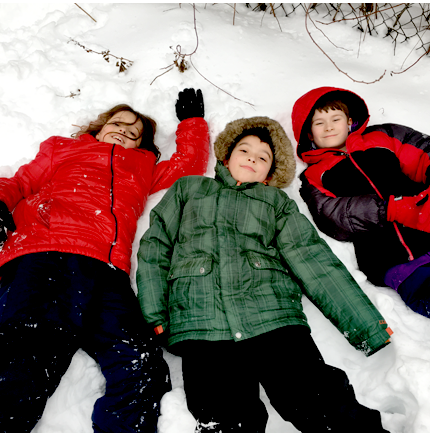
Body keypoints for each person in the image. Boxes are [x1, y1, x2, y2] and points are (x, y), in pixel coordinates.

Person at [0, 88, 210, 432]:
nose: (125, 132)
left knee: (140, 363)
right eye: (118, 123)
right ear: (99, 128)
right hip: (46, 257)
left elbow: (186, 165)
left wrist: (192, 123)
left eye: (135, 133)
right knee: (20, 362)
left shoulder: (143, 166)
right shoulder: (62, 149)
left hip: (107, 273)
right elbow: (19, 182)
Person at [136, 116, 394, 433]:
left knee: (319, 402)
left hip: (273, 320)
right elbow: (155, 247)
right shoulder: (189, 190)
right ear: (226, 156)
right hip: (202, 327)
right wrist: (155, 312)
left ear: (269, 173)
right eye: (244, 150)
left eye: (263, 157)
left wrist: (365, 326)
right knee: (225, 419)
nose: (252, 159)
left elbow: (312, 258)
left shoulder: (275, 203)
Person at [290, 86, 430, 380]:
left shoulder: (385, 137)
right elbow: (334, 218)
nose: (329, 127)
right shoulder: (313, 177)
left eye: (335, 118)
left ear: (350, 120)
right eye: (318, 123)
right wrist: (389, 210)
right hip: (405, 264)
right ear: (309, 134)